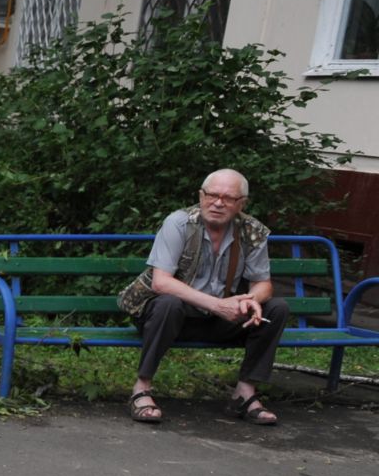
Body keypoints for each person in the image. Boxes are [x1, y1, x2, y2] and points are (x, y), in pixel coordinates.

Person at [121, 169, 288, 426]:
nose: (218, 203)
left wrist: (250, 299)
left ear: (241, 204)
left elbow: (263, 284)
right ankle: (141, 389)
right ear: (201, 196)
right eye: (212, 195)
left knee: (275, 308)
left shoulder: (251, 231)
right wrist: (218, 305)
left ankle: (244, 394)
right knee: (168, 303)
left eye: (228, 198)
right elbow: (161, 282)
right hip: (171, 321)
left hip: (218, 321)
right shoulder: (179, 223)